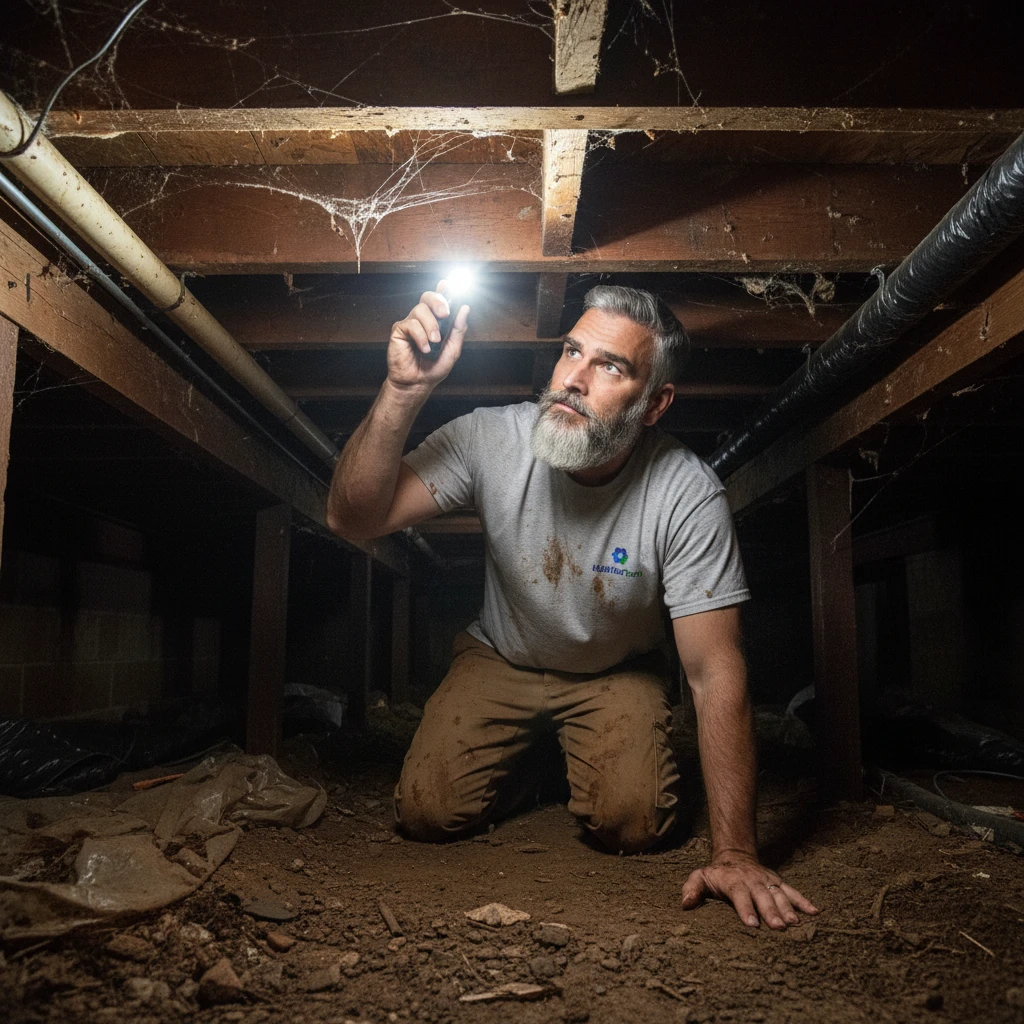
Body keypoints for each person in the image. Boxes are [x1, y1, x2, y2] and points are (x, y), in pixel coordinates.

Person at [327, 282, 818, 930]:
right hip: (503, 656)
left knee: (635, 822)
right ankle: (541, 761)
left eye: (611, 367)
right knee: (427, 811)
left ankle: (574, 752)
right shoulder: (491, 438)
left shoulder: (686, 494)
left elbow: (713, 671)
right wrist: (403, 389)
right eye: (571, 351)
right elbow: (352, 518)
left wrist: (735, 854)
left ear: (654, 403)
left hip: (614, 671)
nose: (573, 380)